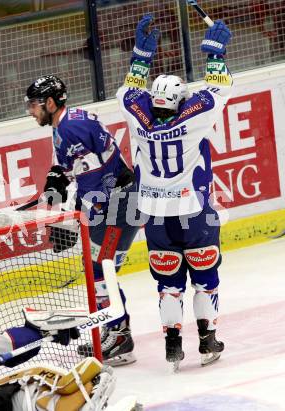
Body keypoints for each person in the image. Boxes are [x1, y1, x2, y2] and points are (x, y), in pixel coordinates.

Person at [116, 14, 233, 368]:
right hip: (193, 211)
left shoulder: (136, 111)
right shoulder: (195, 115)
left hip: (154, 215)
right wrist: (214, 52)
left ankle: (172, 345)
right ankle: (208, 341)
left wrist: (140, 55)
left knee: (168, 284)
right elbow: (220, 86)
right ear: (181, 101)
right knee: (205, 279)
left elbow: (128, 90)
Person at [24, 75, 140, 366]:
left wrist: (72, 219)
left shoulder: (71, 127)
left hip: (117, 206)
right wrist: (58, 177)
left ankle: (120, 336)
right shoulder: (67, 122)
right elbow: (78, 167)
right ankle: (115, 330)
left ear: (50, 103)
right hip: (117, 202)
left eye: (34, 105)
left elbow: (94, 184)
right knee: (100, 269)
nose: (30, 111)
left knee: (101, 271)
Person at [0, 310, 117, 411]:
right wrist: (43, 330)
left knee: (5, 390)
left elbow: (9, 358)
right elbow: (10, 346)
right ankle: (77, 404)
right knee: (29, 381)